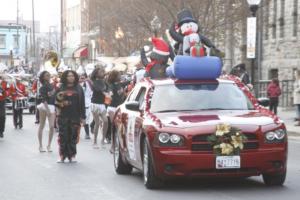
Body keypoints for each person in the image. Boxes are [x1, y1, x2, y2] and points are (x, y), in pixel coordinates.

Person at [55, 70, 85, 163]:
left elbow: (82, 103)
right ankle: (62, 155)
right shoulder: (61, 87)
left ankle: (72, 155)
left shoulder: (79, 88)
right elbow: (56, 102)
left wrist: (82, 117)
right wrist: (59, 111)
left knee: (73, 136)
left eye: (72, 76)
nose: (71, 77)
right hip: (63, 115)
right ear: (65, 77)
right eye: (68, 76)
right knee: (63, 136)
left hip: (75, 115)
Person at [90, 66, 111, 149]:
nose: (102, 73)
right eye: (100, 72)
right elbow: (98, 89)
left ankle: (102, 140)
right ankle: (94, 141)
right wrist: (105, 93)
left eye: (103, 72)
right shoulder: (94, 82)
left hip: (102, 104)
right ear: (96, 73)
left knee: (106, 121)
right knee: (97, 122)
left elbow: (108, 88)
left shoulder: (104, 82)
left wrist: (109, 92)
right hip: (95, 104)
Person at [37, 71, 56, 152]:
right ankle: (40, 145)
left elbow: (55, 97)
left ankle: (49, 145)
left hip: (52, 106)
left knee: (52, 126)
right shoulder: (42, 87)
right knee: (42, 125)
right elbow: (44, 99)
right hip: (44, 106)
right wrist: (47, 109)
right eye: (46, 75)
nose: (48, 76)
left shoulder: (52, 86)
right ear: (43, 77)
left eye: (49, 75)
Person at [79, 73, 93, 139]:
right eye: (81, 78)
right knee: (78, 120)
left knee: (86, 120)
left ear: (86, 78)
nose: (82, 79)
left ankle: (87, 134)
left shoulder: (89, 84)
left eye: (83, 78)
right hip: (79, 104)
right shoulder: (78, 84)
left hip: (87, 104)